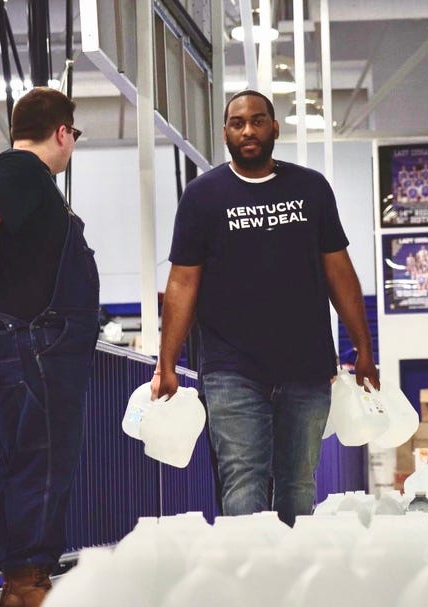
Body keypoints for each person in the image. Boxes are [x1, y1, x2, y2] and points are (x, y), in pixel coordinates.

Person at [152, 89, 379, 526]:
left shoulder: (310, 189)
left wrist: (363, 348)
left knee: (297, 485)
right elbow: (182, 282)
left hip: (307, 367)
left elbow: (340, 273)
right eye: (238, 123)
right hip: (231, 369)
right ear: (225, 133)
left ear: (275, 128)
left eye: (258, 121)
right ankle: (250, 586)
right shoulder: (203, 196)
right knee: (243, 481)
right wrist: (166, 363)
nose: (248, 130)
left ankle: (290, 586)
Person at [0, 87, 99, 607]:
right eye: (74, 136)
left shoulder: (26, 179)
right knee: (41, 465)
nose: (72, 145)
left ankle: (27, 579)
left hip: (33, 346)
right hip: (32, 346)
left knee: (34, 465)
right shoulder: (20, 169)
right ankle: (27, 585)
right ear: (62, 132)